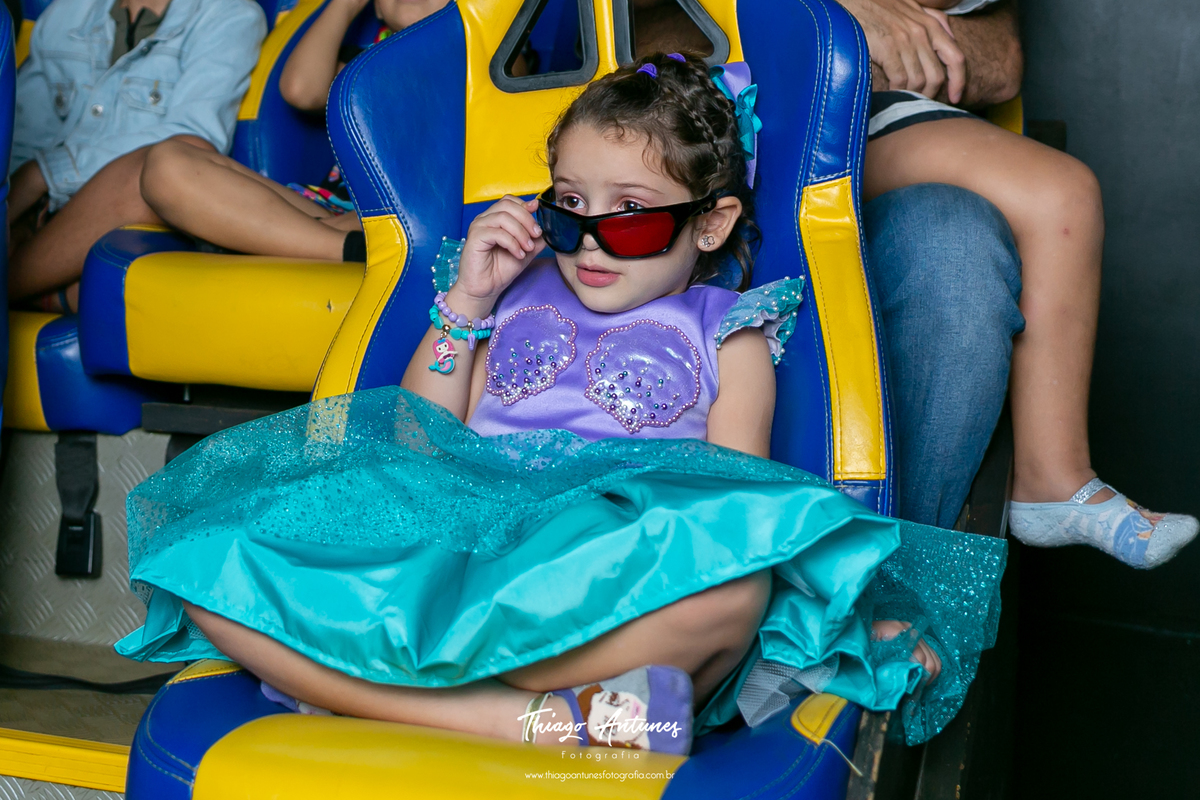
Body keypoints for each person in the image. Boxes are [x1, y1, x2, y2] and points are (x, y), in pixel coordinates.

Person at [117, 53, 1006, 752]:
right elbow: (419, 437)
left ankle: (389, 692)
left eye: (632, 216)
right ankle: (515, 721)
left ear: (712, 222)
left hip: (610, 561)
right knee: (202, 561)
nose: (591, 245)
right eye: (569, 210)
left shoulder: (729, 330)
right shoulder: (511, 291)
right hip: (467, 533)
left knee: (730, 595)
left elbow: (743, 501)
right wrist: (467, 300)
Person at [845, 0, 1199, 568]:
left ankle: (1051, 476)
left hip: (873, 111)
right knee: (1059, 195)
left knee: (1062, 196)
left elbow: (995, 57)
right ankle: (1049, 480)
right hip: (750, 104)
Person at [138, 0, 450, 263]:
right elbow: (301, 90)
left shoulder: (471, 67)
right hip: (332, 214)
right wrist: (345, 6)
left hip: (413, 216)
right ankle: (339, 247)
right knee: (167, 164)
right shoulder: (365, 65)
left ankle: (285, 240)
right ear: (377, 10)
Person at [7, 0, 267, 312]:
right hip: (44, 214)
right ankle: (52, 292)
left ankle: (18, 288)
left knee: (152, 173)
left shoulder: (229, 14)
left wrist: (43, 173)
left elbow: (193, 138)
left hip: (142, 212)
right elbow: (21, 132)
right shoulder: (66, 13)